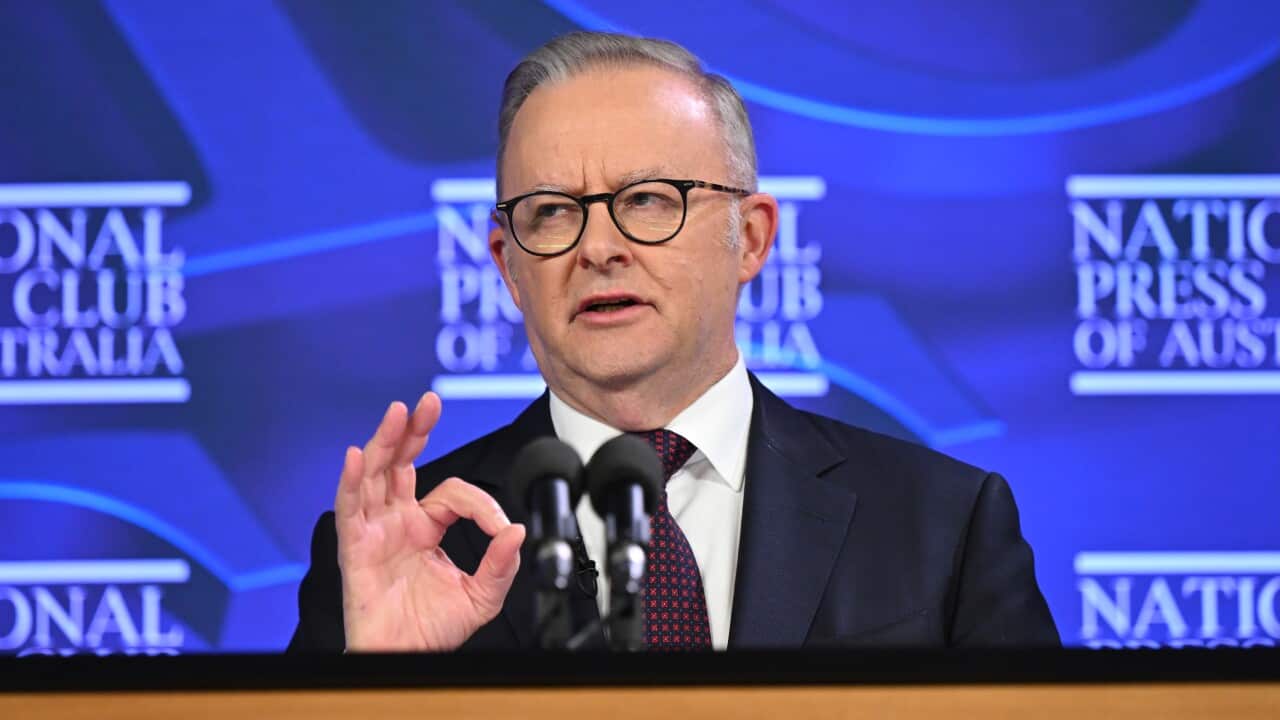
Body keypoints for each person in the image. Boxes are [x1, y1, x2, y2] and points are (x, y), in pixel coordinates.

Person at [288, 31, 1059, 652]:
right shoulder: (404, 551)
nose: (597, 249)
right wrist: (379, 690)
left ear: (751, 238)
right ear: (508, 265)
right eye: (552, 212)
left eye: (648, 200)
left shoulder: (943, 525)